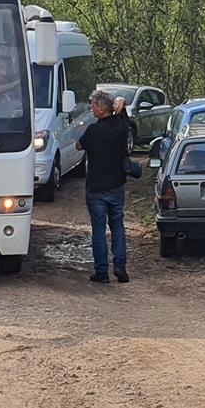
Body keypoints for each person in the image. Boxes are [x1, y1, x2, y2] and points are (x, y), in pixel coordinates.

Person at [74, 89, 131, 283]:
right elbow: (125, 114)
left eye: (93, 106)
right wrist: (121, 102)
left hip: (97, 187)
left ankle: (101, 272)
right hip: (117, 185)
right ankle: (121, 266)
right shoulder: (121, 127)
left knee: (99, 230)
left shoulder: (93, 131)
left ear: (100, 109)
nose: (92, 109)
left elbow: (79, 146)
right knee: (117, 225)